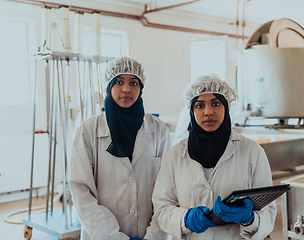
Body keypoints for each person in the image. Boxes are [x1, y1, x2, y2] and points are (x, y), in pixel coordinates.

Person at [152, 74, 276, 240]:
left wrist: (250, 219)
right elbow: (161, 208)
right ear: (192, 111)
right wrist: (185, 218)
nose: (208, 112)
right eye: (200, 105)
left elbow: (269, 212)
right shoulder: (175, 156)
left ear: (226, 107)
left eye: (216, 104)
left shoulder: (252, 151)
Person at [69, 57, 171, 240]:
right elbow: (81, 192)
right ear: (108, 86)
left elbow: (166, 190)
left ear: (141, 88)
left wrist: (154, 235)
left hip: (149, 234)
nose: (126, 89)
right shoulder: (89, 131)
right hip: (102, 235)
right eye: (118, 82)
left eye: (133, 82)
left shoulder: (158, 130)